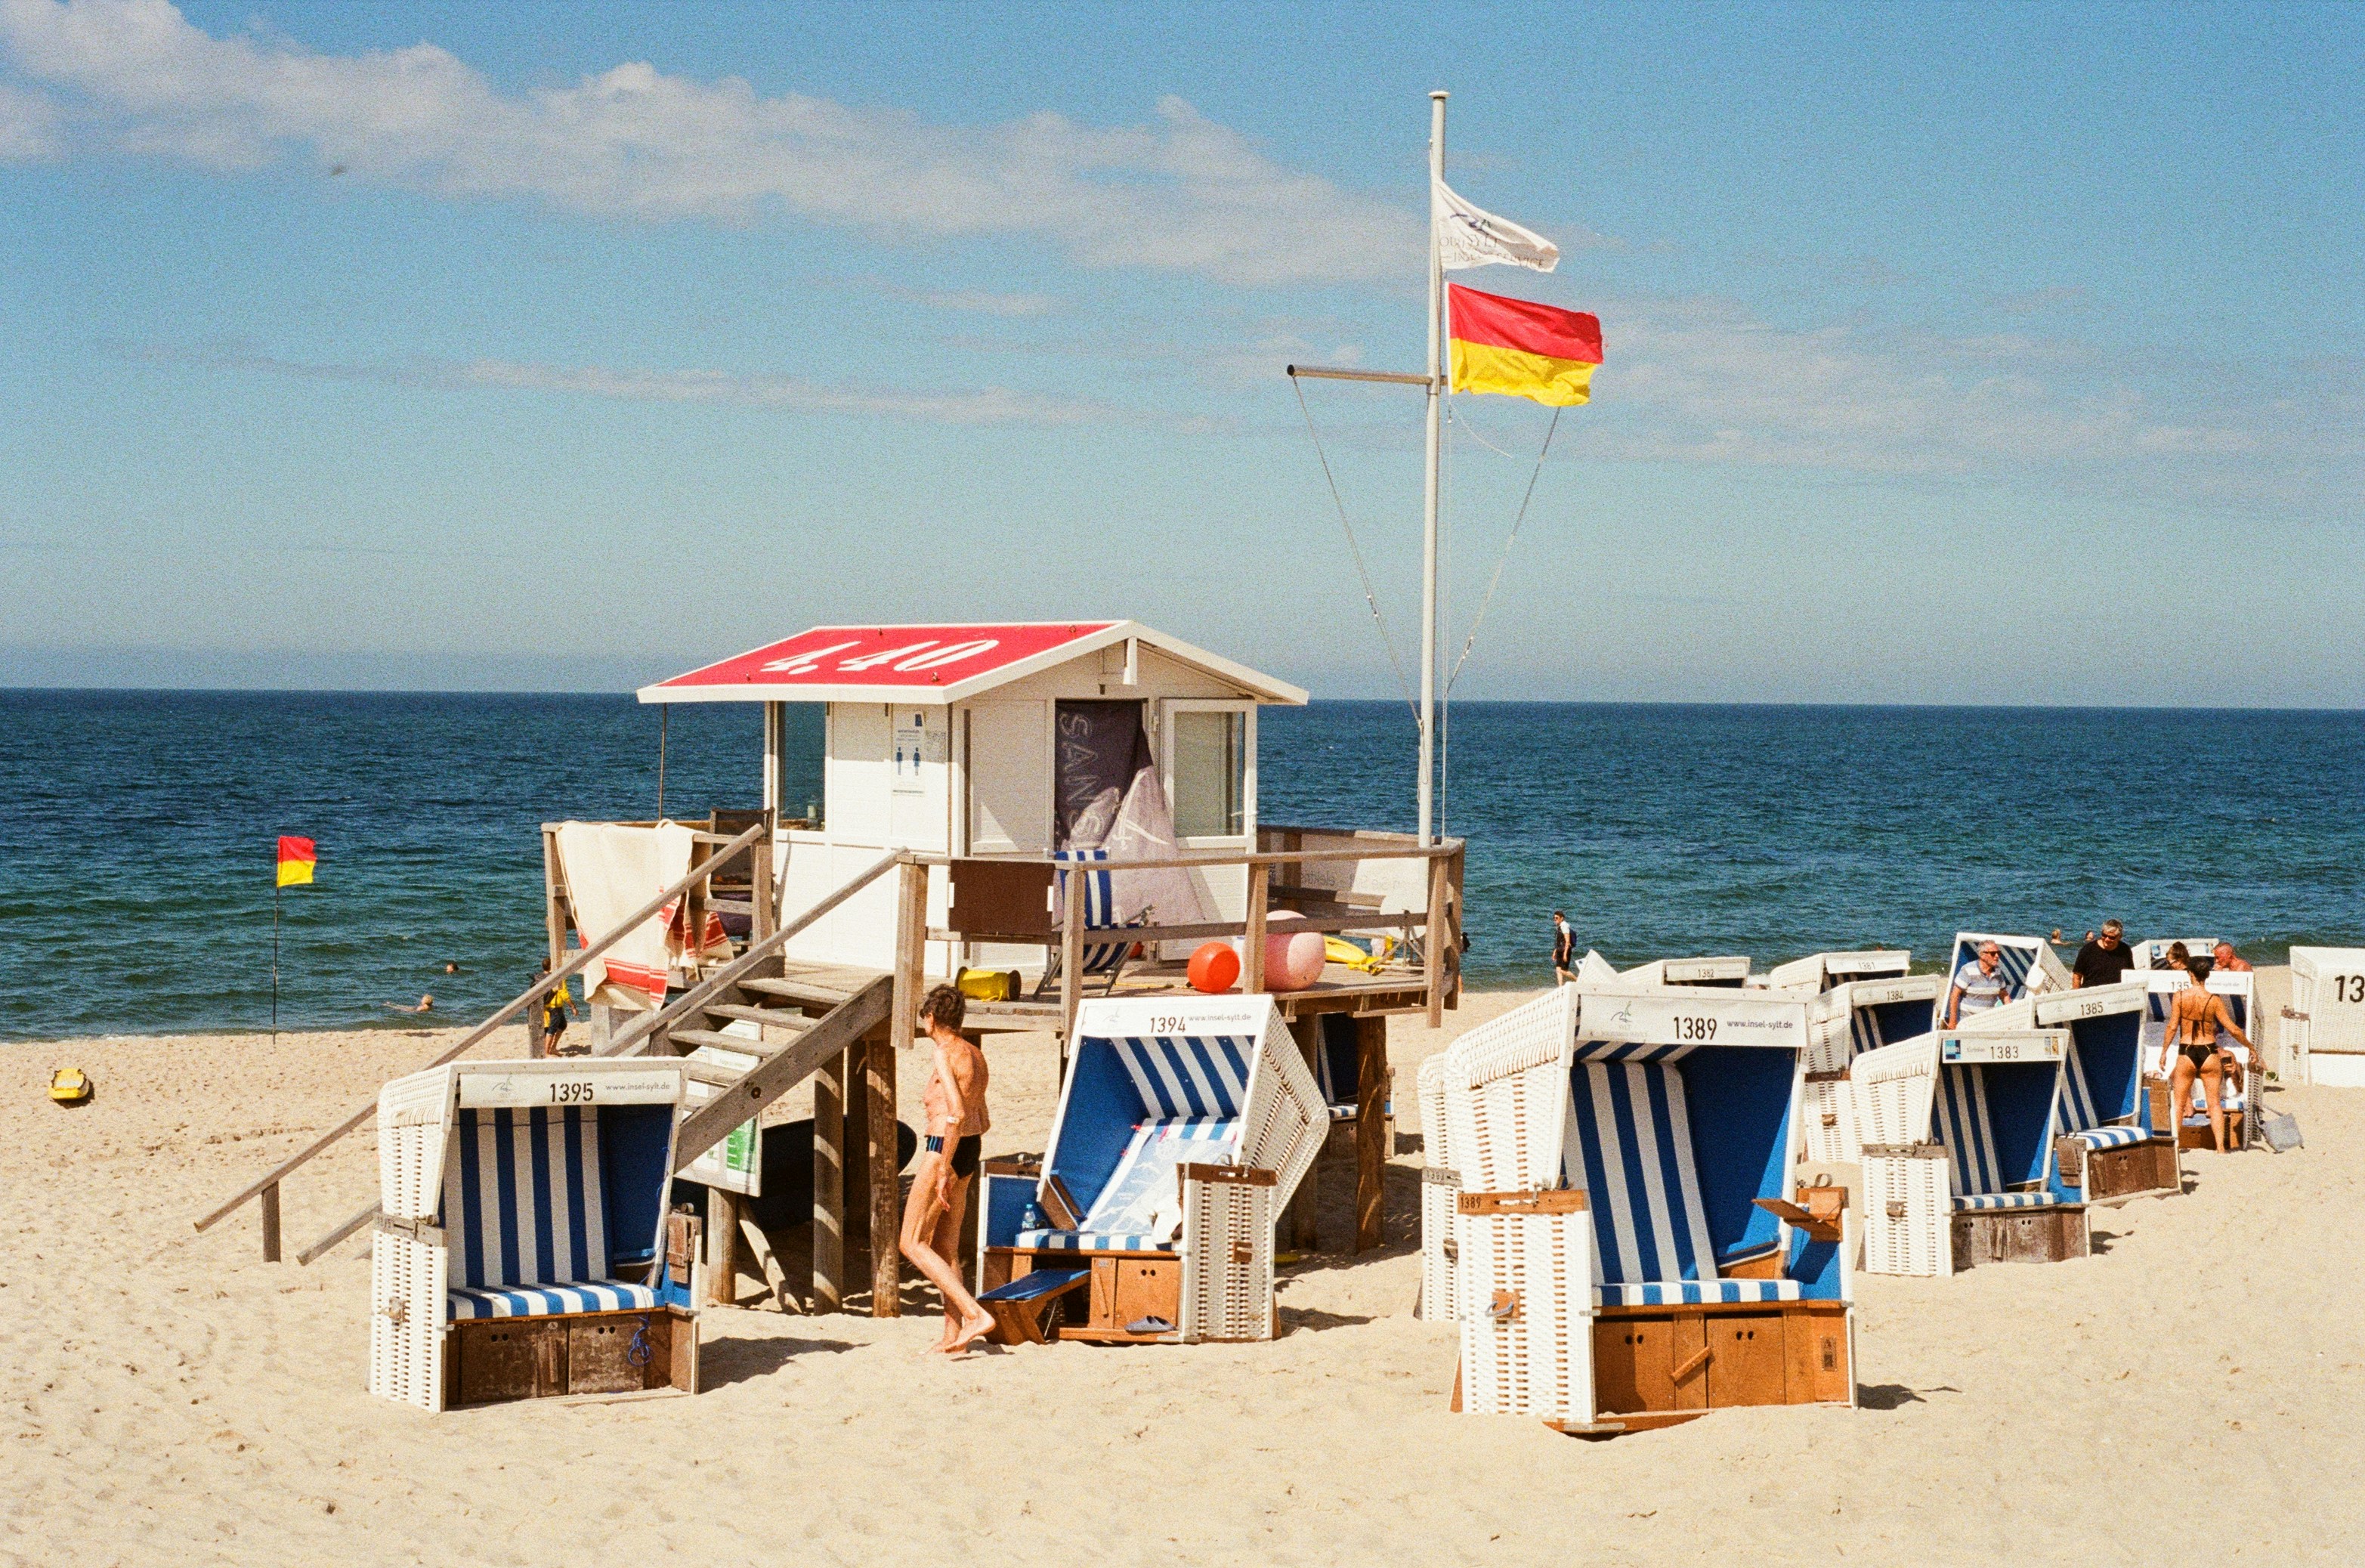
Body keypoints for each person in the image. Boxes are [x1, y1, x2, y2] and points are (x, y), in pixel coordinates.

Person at [898, 984, 995, 1356]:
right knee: (945, 1247)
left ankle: (973, 1314)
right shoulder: (975, 1053)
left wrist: (941, 1170)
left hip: (946, 1146)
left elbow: (954, 1112)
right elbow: (978, 1114)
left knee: (911, 1242)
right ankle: (953, 1337)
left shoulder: (944, 1053)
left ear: (931, 1018)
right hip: (971, 1146)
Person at [2166, 954, 2251, 1153]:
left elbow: (2171, 1027)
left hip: (2187, 1050)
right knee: (2214, 1103)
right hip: (2209, 1050)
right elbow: (2233, 1029)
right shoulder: (2214, 1000)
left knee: (2178, 1104)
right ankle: (2221, 1148)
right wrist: (2251, 1048)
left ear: (2190, 974)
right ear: (2207, 975)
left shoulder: (2179, 996)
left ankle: (2175, 1147)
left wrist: (2163, 1053)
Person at [1944, 941, 2011, 1027]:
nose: (1997, 956)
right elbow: (1955, 995)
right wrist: (1953, 1021)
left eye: (1999, 953)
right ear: (1982, 955)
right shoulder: (1968, 970)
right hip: (1968, 1023)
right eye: (1993, 953)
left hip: (1988, 1023)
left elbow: (2004, 995)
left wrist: (2010, 1014)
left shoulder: (1998, 972)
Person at [2072, 919, 2137, 988]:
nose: (2107, 939)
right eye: (2104, 935)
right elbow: (2077, 977)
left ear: (2119, 937)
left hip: (2116, 994)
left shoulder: (2125, 950)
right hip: (2091, 995)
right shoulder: (2088, 950)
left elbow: (2130, 975)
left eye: (2112, 937)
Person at [1551, 910, 1575, 985]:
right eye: (1554, 918)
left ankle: (1577, 980)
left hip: (1565, 951)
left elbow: (1567, 942)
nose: (1555, 919)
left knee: (1563, 971)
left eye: (1557, 918)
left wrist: (1565, 954)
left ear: (1562, 918)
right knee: (1558, 970)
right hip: (1559, 950)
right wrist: (1555, 952)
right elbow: (1558, 941)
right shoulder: (1559, 927)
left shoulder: (1564, 926)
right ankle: (1560, 988)